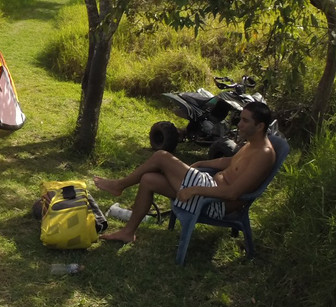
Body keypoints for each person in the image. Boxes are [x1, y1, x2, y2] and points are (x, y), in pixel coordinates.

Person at [93, 101, 276, 243]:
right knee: (148, 179)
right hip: (209, 186)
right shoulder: (252, 143)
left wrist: (194, 190)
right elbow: (229, 161)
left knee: (161, 156)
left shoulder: (264, 154)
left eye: (245, 121)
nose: (239, 124)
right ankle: (128, 232)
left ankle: (119, 185)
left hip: (214, 203)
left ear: (260, 126)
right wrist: (201, 162)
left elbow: (233, 192)